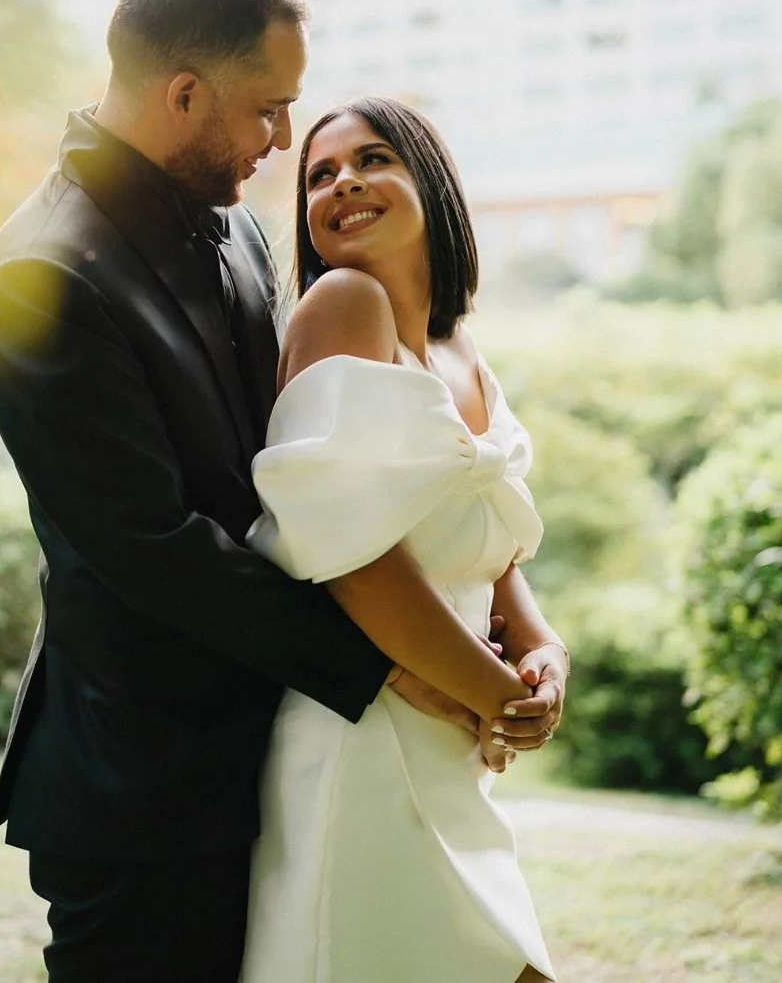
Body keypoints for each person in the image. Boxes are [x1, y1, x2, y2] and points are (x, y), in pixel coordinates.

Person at [0, 0, 520, 983]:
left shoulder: (238, 236)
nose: (280, 143)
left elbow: (309, 473)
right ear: (184, 93)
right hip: (144, 790)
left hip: (282, 753)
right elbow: (153, 547)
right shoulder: (39, 279)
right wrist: (393, 665)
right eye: (269, 111)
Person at [239, 96, 567, 983]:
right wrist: (494, 693)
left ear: (430, 180)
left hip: (452, 738)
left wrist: (541, 648)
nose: (344, 180)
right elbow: (351, 554)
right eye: (319, 174)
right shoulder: (343, 308)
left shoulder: (463, 352)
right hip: (366, 736)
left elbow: (483, 538)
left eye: (373, 158)